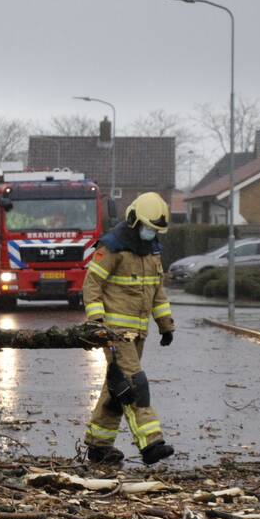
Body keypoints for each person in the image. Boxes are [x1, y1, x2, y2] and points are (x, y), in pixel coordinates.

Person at [81, 192, 176, 466]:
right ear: (134, 221)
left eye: (156, 230)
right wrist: (97, 323)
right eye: (149, 228)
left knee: (115, 390)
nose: (151, 234)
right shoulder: (111, 247)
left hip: (138, 335)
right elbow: (92, 286)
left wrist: (165, 325)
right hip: (115, 334)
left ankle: (99, 447)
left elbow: (157, 292)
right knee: (135, 385)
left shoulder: (152, 251)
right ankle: (150, 443)